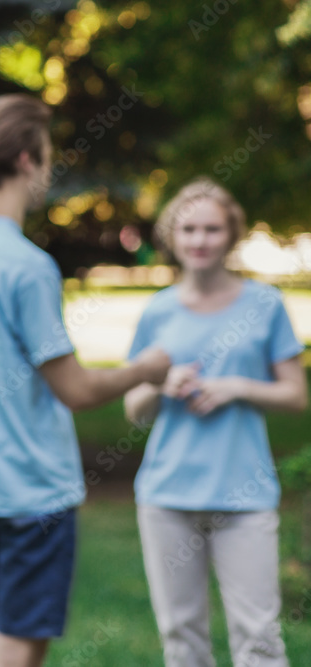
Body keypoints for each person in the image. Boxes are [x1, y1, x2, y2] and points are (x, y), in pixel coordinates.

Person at [0, 93, 171, 667]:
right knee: (15, 649)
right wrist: (145, 370)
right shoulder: (26, 264)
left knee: (8, 641)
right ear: (28, 160)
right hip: (30, 485)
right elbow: (75, 390)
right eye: (48, 153)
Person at [124, 178, 306, 667]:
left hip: (244, 496)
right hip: (166, 496)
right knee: (182, 639)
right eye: (189, 229)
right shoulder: (158, 309)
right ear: (172, 236)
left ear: (231, 235)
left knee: (259, 637)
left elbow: (296, 396)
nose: (200, 240)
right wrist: (161, 385)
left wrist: (237, 387)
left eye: (211, 229)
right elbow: (133, 407)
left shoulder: (265, 304)